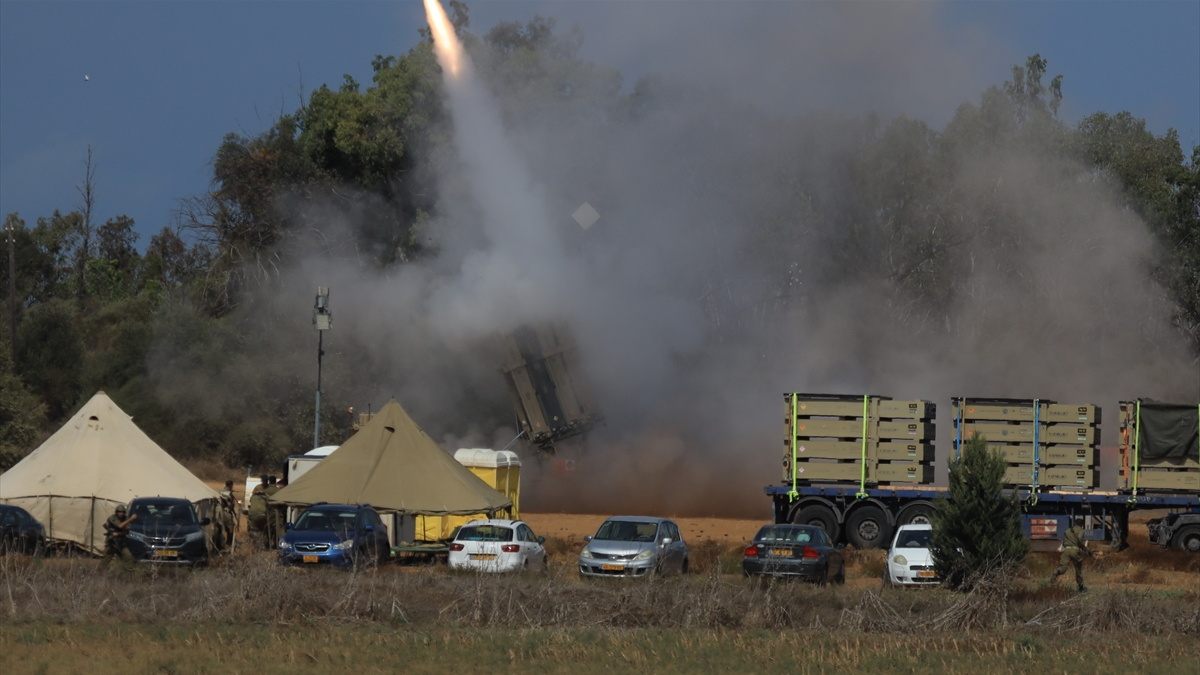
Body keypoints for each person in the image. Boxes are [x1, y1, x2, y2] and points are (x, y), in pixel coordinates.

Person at [1051, 515, 1092, 592]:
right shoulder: (1081, 531)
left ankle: (1056, 572)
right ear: (1082, 525)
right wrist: (1083, 547)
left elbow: (1064, 542)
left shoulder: (1067, 531)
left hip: (1066, 550)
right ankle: (1081, 587)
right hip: (1075, 550)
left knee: (1063, 567)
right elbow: (1080, 539)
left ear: (1074, 523)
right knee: (1078, 569)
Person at [102, 504, 137, 572]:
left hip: (121, 542)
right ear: (116, 512)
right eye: (119, 512)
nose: (121, 513)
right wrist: (131, 519)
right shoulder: (112, 518)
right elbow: (120, 526)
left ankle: (129, 574)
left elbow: (127, 530)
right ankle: (98, 572)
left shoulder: (125, 519)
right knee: (106, 559)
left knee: (128, 557)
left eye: (123, 512)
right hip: (112, 542)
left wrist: (119, 534)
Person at [213, 480, 237, 551]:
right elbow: (230, 505)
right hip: (224, 512)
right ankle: (229, 543)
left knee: (219, 528)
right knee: (231, 526)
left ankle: (219, 545)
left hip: (218, 513)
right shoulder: (227, 493)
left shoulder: (220, 491)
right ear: (231, 485)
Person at [247, 475, 269, 549]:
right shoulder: (258, 487)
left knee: (259, 529)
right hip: (263, 513)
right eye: (263, 480)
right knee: (262, 529)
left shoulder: (267, 488)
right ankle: (261, 545)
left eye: (265, 480)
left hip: (255, 513)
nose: (264, 482)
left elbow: (252, 498)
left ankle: (259, 545)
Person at [264, 475, 283, 548]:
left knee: (267, 528)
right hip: (278, 512)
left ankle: (266, 544)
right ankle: (280, 544)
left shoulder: (265, 491)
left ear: (269, 481)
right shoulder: (279, 491)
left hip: (268, 513)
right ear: (275, 482)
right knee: (280, 529)